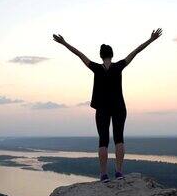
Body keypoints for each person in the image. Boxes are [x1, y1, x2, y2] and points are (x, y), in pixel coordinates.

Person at [52, 28, 162, 182]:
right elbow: (135, 51)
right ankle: (119, 172)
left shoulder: (96, 68)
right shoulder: (119, 66)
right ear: (112, 54)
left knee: (103, 140)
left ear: (101, 55)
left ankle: (103, 174)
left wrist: (64, 43)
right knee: (119, 139)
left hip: (102, 108)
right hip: (119, 107)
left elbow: (79, 54)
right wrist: (151, 39)